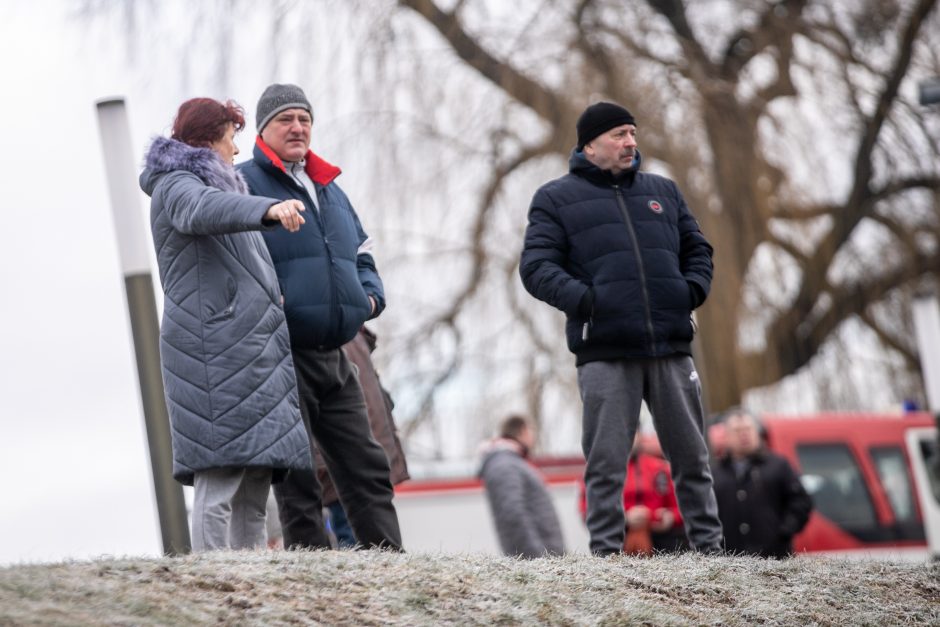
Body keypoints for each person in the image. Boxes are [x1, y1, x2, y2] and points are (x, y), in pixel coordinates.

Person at [519, 101, 723, 556]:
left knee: (692, 458)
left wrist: (688, 291)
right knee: (606, 463)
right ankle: (606, 558)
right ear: (589, 144)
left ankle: (712, 552)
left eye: (633, 133)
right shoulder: (554, 199)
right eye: (619, 134)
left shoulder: (664, 193)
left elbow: (698, 249)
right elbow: (535, 268)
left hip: (670, 346)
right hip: (606, 351)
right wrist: (592, 302)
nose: (631, 142)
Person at [140, 97, 313, 551]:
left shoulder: (225, 188)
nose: (236, 150)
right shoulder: (176, 183)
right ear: (208, 136)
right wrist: (268, 209)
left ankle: (248, 585)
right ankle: (212, 583)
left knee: (255, 484)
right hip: (214, 352)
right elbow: (199, 211)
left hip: (251, 353)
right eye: (231, 136)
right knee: (219, 479)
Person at [238, 84, 402, 550]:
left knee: (367, 464)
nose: (298, 127)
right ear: (263, 129)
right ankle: (312, 568)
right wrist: (273, 301)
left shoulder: (330, 188)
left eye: (304, 119)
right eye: (286, 119)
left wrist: (369, 299)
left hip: (337, 350)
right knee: (297, 472)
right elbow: (231, 257)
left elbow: (363, 250)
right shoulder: (243, 182)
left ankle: (389, 562)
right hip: (282, 352)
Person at [319, 326, 410, 548]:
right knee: (368, 539)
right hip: (362, 463)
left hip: (350, 465)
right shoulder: (350, 336)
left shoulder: (338, 337)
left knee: (357, 541)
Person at [711, 409, 812, 558]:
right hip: (731, 563)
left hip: (774, 560)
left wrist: (784, 531)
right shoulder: (715, 474)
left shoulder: (778, 465)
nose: (743, 434)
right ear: (726, 436)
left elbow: (801, 502)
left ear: (757, 432)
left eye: (748, 429)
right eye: (737, 431)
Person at [576, 436, 687, 555]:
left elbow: (684, 507)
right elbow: (588, 512)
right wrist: (623, 518)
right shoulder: (600, 472)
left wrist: (670, 517)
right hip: (617, 541)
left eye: (633, 432)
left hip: (662, 541)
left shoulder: (660, 468)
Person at [478, 415, 566, 558]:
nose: (534, 436)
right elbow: (512, 514)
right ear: (523, 431)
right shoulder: (505, 465)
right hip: (538, 565)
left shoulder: (511, 462)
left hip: (545, 562)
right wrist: (537, 559)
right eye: (532, 430)